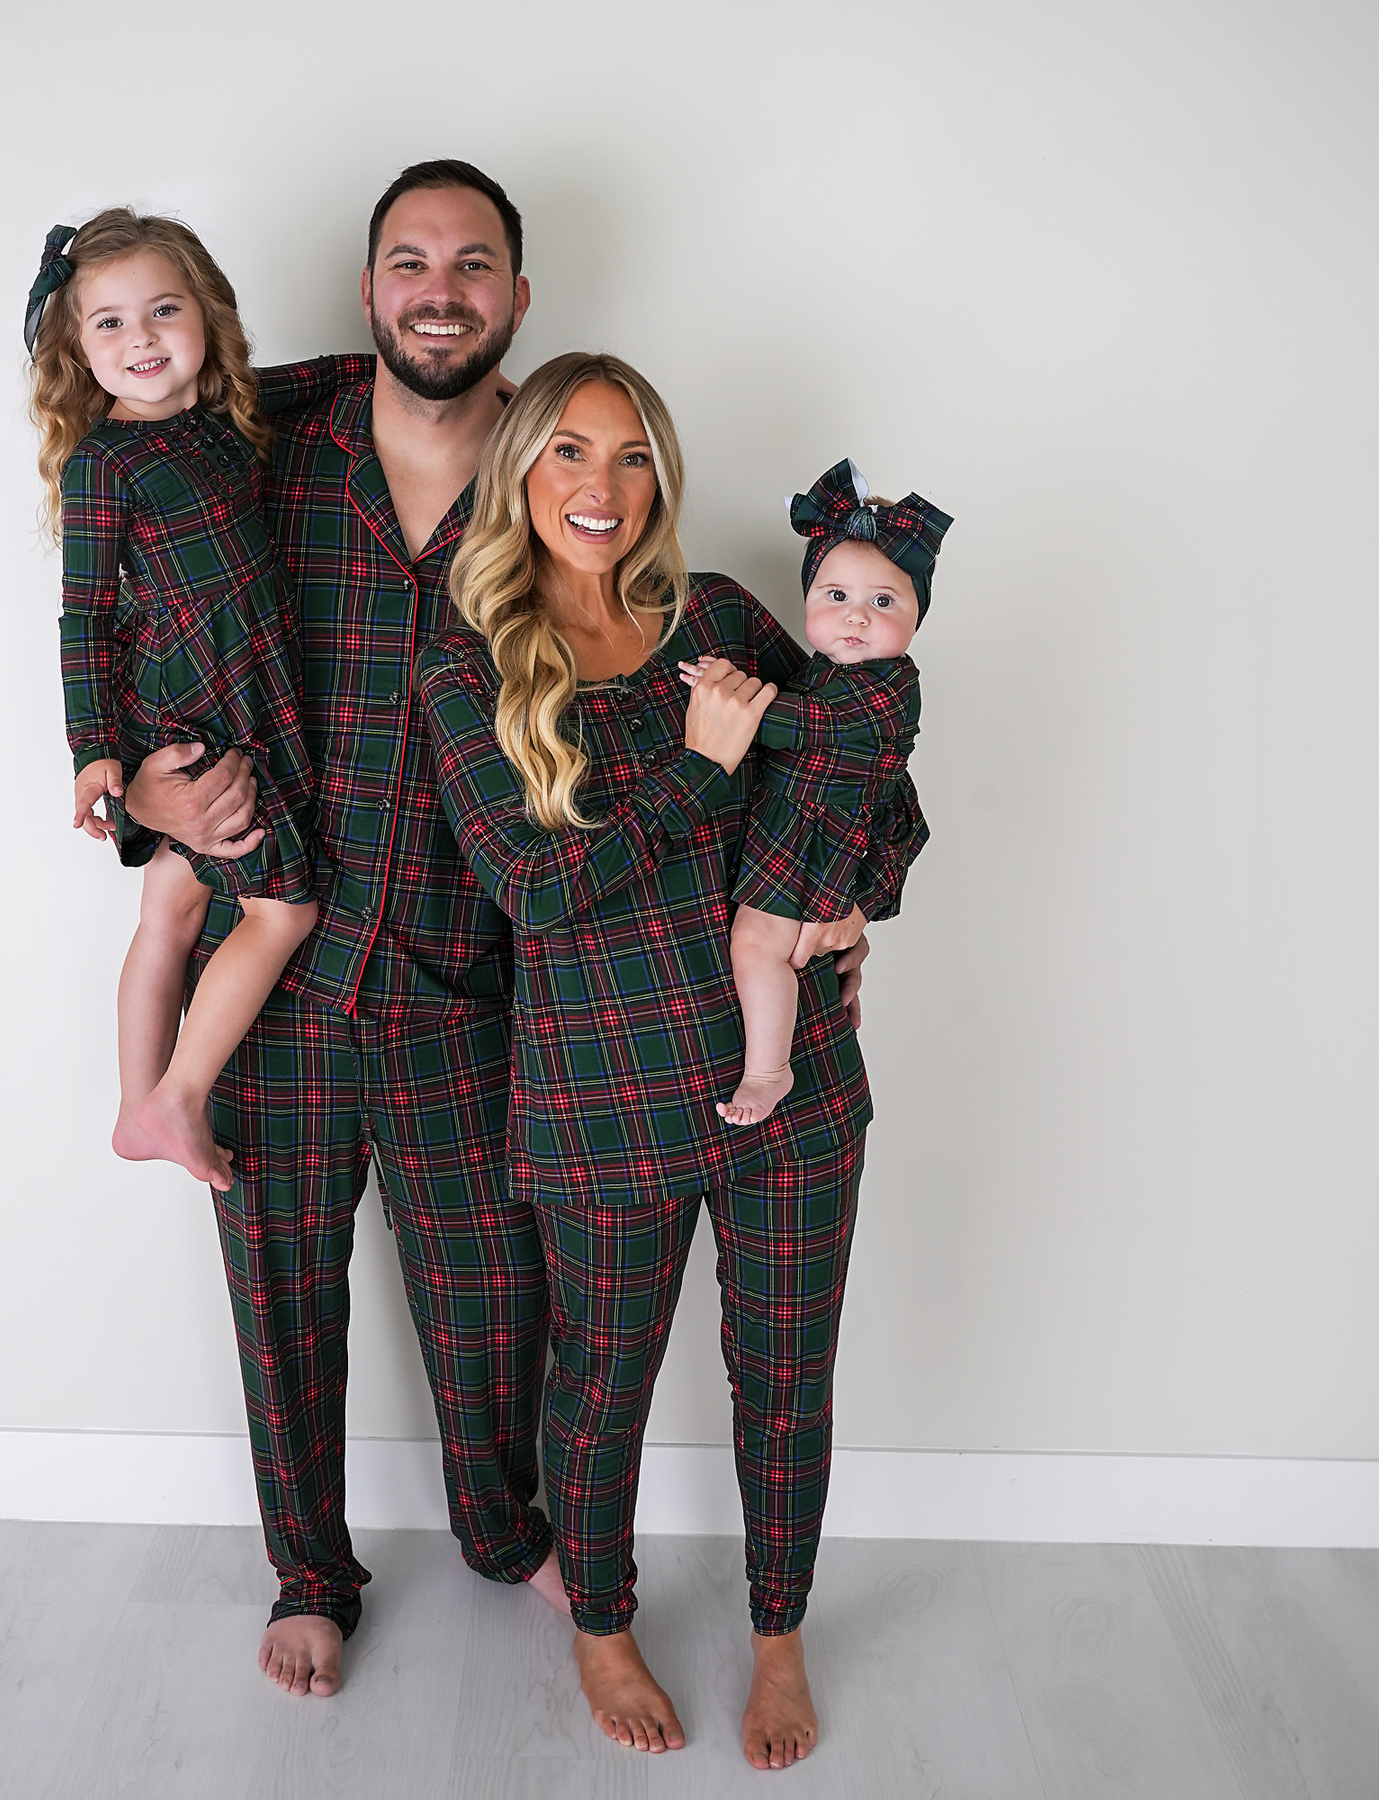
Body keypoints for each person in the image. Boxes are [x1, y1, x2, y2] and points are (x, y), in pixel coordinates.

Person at [116, 162, 591, 1699]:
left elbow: (666, 656)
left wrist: (818, 879)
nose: (439, 290)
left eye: (473, 263)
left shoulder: (570, 473)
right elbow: (136, 608)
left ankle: (506, 1532)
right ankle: (309, 1574)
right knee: (281, 1303)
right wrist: (138, 784)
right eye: (410, 261)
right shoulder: (250, 443)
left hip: (474, 981)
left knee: (496, 1304)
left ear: (518, 296)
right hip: (272, 978)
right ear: (371, 288)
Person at [416, 353, 875, 1770]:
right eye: (569, 451)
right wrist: (701, 770)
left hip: (792, 1078)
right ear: (519, 472)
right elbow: (532, 888)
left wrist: (861, 899)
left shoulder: (718, 617)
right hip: (603, 1093)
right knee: (601, 1385)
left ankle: (780, 1633)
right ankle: (602, 1623)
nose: (601, 487)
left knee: (786, 1374)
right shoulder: (465, 664)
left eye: (630, 457)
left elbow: (860, 764)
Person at [29, 208, 319, 1191]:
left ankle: (131, 1107)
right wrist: (93, 753)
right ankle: (176, 1096)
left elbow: (314, 379)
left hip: (243, 690)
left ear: (208, 316)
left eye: (163, 311)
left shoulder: (227, 421)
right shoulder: (103, 464)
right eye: (108, 323)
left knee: (170, 914)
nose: (140, 338)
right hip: (197, 716)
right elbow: (82, 617)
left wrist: (399, 374)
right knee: (281, 910)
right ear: (78, 349)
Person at [685, 458, 952, 1125]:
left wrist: (730, 700)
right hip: (793, 828)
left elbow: (812, 725)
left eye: (883, 602)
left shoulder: (891, 687)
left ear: (917, 616)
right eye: (835, 596)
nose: (855, 616)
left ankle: (768, 1070)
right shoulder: (819, 669)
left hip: (819, 841)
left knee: (759, 945)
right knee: (760, 946)